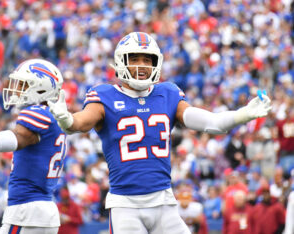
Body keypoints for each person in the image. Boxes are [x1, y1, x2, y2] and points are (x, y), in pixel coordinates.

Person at [48, 32, 272, 234]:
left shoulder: (168, 93)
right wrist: (66, 117)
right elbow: (80, 123)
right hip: (126, 205)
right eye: (134, 58)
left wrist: (243, 114)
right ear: (120, 62)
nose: (142, 65)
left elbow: (212, 123)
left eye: (147, 59)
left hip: (164, 202)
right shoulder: (105, 95)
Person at [0, 59, 65, 234]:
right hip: (43, 208)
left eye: (23, 84)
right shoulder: (54, 115)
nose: (16, 89)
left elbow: (19, 137)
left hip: (26, 210)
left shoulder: (38, 112)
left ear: (40, 88)